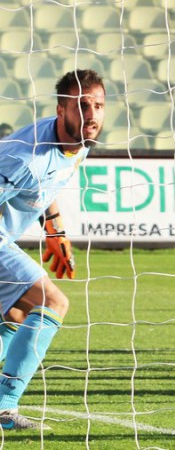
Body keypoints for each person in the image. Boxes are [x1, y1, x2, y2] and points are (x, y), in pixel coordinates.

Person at [0, 69, 106, 430]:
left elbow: (52, 182)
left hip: (4, 239)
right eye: (82, 106)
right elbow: (39, 172)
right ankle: (5, 407)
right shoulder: (25, 158)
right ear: (61, 111)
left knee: (16, 314)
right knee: (52, 302)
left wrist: (54, 229)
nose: (91, 115)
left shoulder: (79, 141)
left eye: (98, 105)